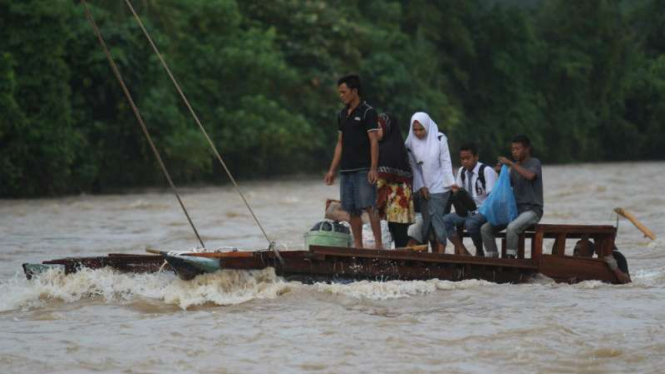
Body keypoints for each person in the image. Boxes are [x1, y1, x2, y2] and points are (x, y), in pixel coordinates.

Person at [324, 74, 383, 249]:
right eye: (339, 93)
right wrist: (332, 170)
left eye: (343, 92)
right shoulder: (342, 114)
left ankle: (379, 245)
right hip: (347, 170)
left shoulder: (368, 112)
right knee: (352, 210)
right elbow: (340, 143)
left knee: (370, 207)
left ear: (354, 91)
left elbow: (374, 141)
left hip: (364, 168)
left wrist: (373, 168)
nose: (341, 96)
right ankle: (358, 246)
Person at [481, 135, 543, 258]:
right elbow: (506, 186)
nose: (514, 152)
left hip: (533, 210)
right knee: (485, 229)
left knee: (512, 227)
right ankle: (492, 258)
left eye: (517, 148)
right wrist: (500, 172)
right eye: (513, 149)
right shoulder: (514, 168)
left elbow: (530, 176)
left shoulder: (534, 163)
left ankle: (510, 259)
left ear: (527, 149)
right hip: (515, 211)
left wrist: (510, 163)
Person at [404, 112, 456, 254]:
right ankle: (430, 257)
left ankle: (440, 257)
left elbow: (446, 162)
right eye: (415, 130)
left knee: (437, 220)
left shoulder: (440, 139)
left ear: (427, 126)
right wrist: (421, 186)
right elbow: (414, 168)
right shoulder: (409, 144)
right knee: (427, 224)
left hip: (440, 187)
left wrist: (451, 183)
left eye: (421, 129)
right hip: (422, 188)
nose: (418, 133)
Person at [442, 142, 498, 256]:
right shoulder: (462, 171)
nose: (465, 161)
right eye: (462, 159)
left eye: (468, 158)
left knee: (470, 223)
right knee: (444, 221)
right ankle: (462, 250)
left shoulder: (486, 171)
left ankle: (479, 250)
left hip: (484, 210)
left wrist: (478, 213)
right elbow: (460, 193)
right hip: (468, 211)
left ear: (476, 157)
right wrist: (455, 191)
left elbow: (492, 198)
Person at [375, 113, 415, 248]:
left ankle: (401, 264)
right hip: (400, 200)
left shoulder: (387, 149)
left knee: (398, 235)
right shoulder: (397, 146)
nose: (375, 131)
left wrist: (367, 196)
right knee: (398, 235)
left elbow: (382, 180)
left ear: (387, 129)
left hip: (396, 201)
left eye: (379, 128)